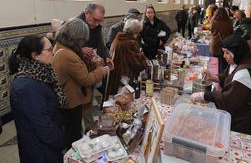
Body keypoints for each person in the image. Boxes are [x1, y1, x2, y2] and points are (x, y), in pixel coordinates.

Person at [191, 34, 251, 137]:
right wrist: (213, 77)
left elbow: (228, 98)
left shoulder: (246, 72)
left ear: (236, 53)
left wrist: (204, 95)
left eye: (227, 53)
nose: (224, 56)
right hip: (246, 108)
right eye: (223, 52)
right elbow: (229, 77)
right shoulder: (242, 59)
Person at [52, 18, 109, 149]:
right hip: (71, 102)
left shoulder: (62, 46)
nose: (83, 42)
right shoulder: (67, 54)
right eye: (82, 39)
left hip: (70, 100)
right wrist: (100, 71)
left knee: (72, 132)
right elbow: (86, 79)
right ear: (76, 38)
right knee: (73, 135)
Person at [9, 35, 66, 163]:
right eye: (49, 50)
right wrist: (61, 141)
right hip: (40, 152)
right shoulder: (27, 87)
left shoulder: (41, 73)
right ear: (35, 55)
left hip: (46, 148)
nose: (53, 52)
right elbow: (43, 126)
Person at [106, 19, 147, 97]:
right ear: (135, 32)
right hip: (125, 79)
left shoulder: (118, 39)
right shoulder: (130, 43)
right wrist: (142, 56)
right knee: (124, 102)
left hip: (115, 77)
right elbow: (139, 64)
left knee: (116, 101)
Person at [210, 8, 233, 73]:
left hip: (216, 43)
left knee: (214, 61)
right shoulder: (229, 22)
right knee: (224, 61)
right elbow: (231, 32)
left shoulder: (214, 21)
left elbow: (211, 31)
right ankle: (224, 76)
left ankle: (214, 76)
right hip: (226, 43)